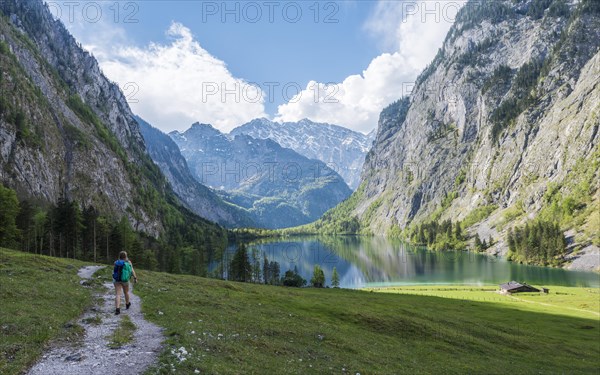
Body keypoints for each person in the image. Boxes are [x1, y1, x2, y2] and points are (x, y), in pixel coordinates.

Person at [113, 251, 138, 315]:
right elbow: (132, 271)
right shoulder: (128, 262)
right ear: (126, 256)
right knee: (126, 292)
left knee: (118, 294)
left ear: (119, 256)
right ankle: (127, 304)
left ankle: (117, 309)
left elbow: (114, 271)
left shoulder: (116, 262)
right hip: (125, 280)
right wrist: (135, 278)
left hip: (117, 280)